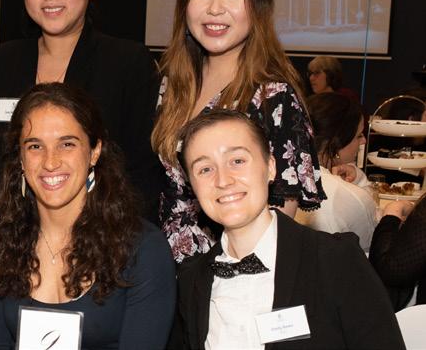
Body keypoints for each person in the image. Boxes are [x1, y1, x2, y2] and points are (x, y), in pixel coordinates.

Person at [151, 0, 325, 263]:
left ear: (257, 4)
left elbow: (278, 224)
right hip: (165, 271)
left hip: (229, 274)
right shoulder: (172, 85)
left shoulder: (273, 97)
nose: (215, 8)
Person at [170, 109, 403, 349]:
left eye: (237, 161)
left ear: (270, 167)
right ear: (192, 186)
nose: (223, 180)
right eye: (205, 169)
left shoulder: (334, 260)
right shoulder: (191, 282)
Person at [0, 83, 176, 349]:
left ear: (94, 151)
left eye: (67, 144)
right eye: (35, 146)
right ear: (20, 158)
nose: (50, 162)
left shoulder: (143, 249)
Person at [295, 92, 376, 251]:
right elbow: (369, 251)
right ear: (336, 141)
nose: (363, 141)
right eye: (358, 136)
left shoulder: (279, 173)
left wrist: (357, 176)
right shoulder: (350, 197)